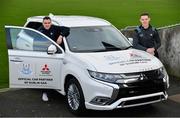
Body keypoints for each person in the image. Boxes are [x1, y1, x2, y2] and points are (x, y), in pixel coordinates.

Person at [38, 16, 70, 101]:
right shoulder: (39, 31)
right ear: (43, 23)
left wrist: (60, 36)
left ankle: (57, 88)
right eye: (45, 23)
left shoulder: (55, 28)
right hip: (45, 55)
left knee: (55, 73)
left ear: (51, 23)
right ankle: (45, 92)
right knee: (45, 74)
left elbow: (67, 29)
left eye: (49, 23)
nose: (47, 25)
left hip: (56, 54)